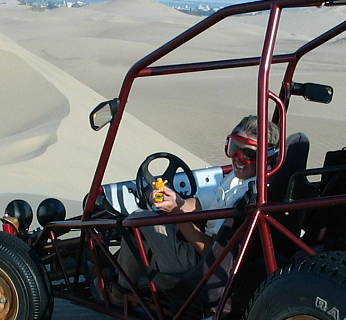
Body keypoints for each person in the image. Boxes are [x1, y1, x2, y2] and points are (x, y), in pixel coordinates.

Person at [115, 115, 279, 294]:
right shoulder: (238, 178)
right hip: (206, 257)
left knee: (136, 220)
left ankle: (117, 294)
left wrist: (176, 214)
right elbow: (200, 203)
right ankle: (135, 279)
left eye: (248, 154)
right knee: (149, 227)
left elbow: (212, 253)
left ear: (265, 157)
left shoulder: (248, 195)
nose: (237, 158)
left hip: (202, 267)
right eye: (234, 149)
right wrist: (176, 201)